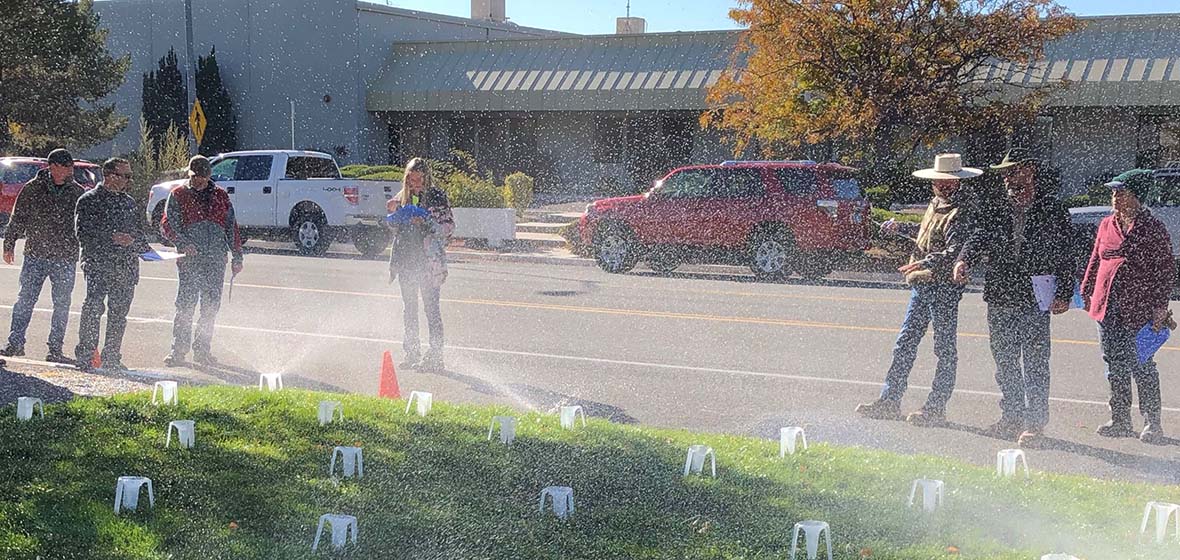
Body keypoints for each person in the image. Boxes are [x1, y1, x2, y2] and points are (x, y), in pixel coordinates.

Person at [953, 148, 1075, 446]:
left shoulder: (1052, 209)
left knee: (1035, 362)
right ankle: (1011, 417)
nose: (1008, 178)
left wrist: (1064, 292)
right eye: (1005, 173)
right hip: (1000, 296)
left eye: (1014, 171)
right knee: (1005, 361)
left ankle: (1035, 424)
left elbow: (1067, 253)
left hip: (1036, 298)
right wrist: (963, 259)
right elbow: (978, 235)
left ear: (1030, 171)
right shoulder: (995, 208)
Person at [856, 153, 980, 426]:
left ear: (958, 182)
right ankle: (890, 401)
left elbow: (953, 251)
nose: (943, 185)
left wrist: (924, 261)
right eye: (939, 182)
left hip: (944, 287)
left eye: (948, 182)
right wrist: (901, 226)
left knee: (944, 350)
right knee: (905, 344)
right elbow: (927, 233)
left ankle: (936, 408)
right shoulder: (936, 203)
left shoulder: (964, 210)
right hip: (923, 285)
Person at [1081, 169, 1174, 444]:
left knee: (1142, 363)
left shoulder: (1153, 228)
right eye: (1114, 192)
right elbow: (1095, 261)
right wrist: (1087, 291)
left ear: (1136, 196)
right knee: (1114, 364)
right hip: (1107, 307)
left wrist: (1160, 306)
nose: (1115, 197)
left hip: (1139, 309)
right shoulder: (1106, 225)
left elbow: (1165, 270)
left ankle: (1152, 422)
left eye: (1121, 192)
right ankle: (1120, 419)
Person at [1, 148, 85, 363]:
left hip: (65, 257)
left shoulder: (77, 192)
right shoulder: (33, 188)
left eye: (70, 167)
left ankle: (55, 349)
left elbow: (83, 226)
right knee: (25, 301)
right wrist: (9, 244)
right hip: (35, 254)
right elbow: (18, 217)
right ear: (53, 167)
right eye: (66, 167)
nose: (69, 171)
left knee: (62, 305)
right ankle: (15, 343)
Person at [160, 155, 244, 366]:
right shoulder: (178, 195)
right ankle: (178, 352)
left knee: (210, 308)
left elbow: (231, 227)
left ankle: (203, 351)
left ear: (209, 176)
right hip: (190, 261)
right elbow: (167, 224)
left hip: (216, 261)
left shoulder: (221, 196)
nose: (198, 180)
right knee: (185, 306)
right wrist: (182, 243)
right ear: (190, 174)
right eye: (194, 176)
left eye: (202, 176)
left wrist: (237, 256)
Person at [73, 158, 150, 373]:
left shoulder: (129, 202)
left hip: (126, 267)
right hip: (99, 264)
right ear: (109, 175)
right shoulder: (89, 200)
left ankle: (112, 357)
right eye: (125, 175)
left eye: (129, 175)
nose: (128, 180)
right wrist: (111, 237)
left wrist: (145, 248)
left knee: (118, 315)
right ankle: (86, 356)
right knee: (93, 309)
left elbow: (139, 234)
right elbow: (83, 234)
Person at [388, 157, 453, 372]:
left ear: (427, 179)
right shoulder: (402, 198)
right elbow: (395, 229)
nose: (415, 184)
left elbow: (448, 228)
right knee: (410, 309)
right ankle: (412, 352)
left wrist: (427, 222)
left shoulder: (436, 197)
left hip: (427, 262)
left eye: (419, 180)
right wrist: (394, 217)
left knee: (431, 309)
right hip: (406, 260)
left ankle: (435, 357)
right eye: (411, 180)